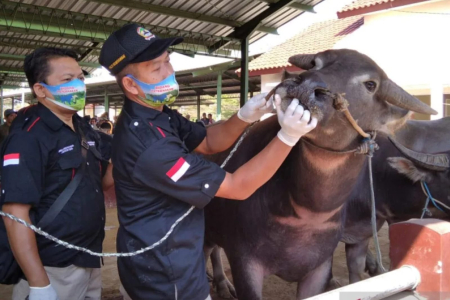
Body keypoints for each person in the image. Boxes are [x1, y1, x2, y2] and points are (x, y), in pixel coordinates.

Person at [99, 23, 316, 300]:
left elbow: (209, 141)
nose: (169, 72)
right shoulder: (148, 145)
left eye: (168, 61)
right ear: (130, 84)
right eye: (156, 68)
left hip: (171, 258)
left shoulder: (157, 114)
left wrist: (245, 116)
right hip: (165, 276)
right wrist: (288, 137)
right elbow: (238, 186)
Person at [1, 47, 113, 300]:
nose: (79, 85)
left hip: (89, 257)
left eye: (81, 78)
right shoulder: (27, 137)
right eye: (67, 80)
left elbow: (101, 183)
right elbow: (14, 215)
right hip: (52, 267)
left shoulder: (84, 129)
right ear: (40, 90)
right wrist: (40, 284)